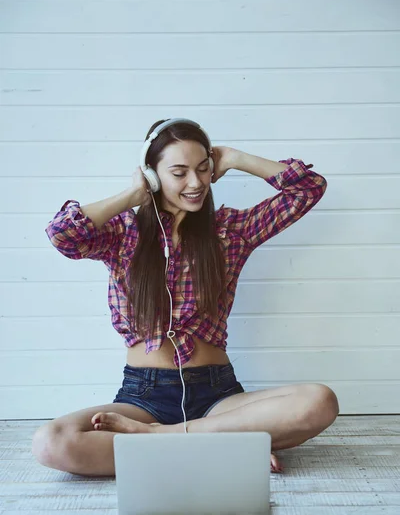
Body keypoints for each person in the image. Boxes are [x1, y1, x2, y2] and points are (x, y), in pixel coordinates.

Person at [32, 118, 339, 477]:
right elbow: (62, 235)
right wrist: (133, 196)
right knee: (51, 442)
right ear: (152, 174)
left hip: (218, 397)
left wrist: (236, 158)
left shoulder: (230, 232)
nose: (196, 183)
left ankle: (162, 440)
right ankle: (217, 447)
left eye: (203, 169)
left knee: (320, 401)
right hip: (142, 397)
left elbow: (308, 189)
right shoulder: (122, 234)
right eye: (179, 172)